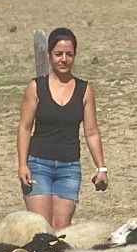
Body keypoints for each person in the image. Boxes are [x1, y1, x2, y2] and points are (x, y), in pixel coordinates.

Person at [16, 27, 107, 230]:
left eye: (69, 54)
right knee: (41, 229)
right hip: (39, 165)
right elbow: (24, 127)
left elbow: (91, 132)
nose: (64, 59)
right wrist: (22, 164)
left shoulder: (85, 90)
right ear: (49, 55)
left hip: (69, 168)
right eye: (58, 54)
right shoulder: (36, 87)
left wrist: (101, 168)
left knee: (61, 229)